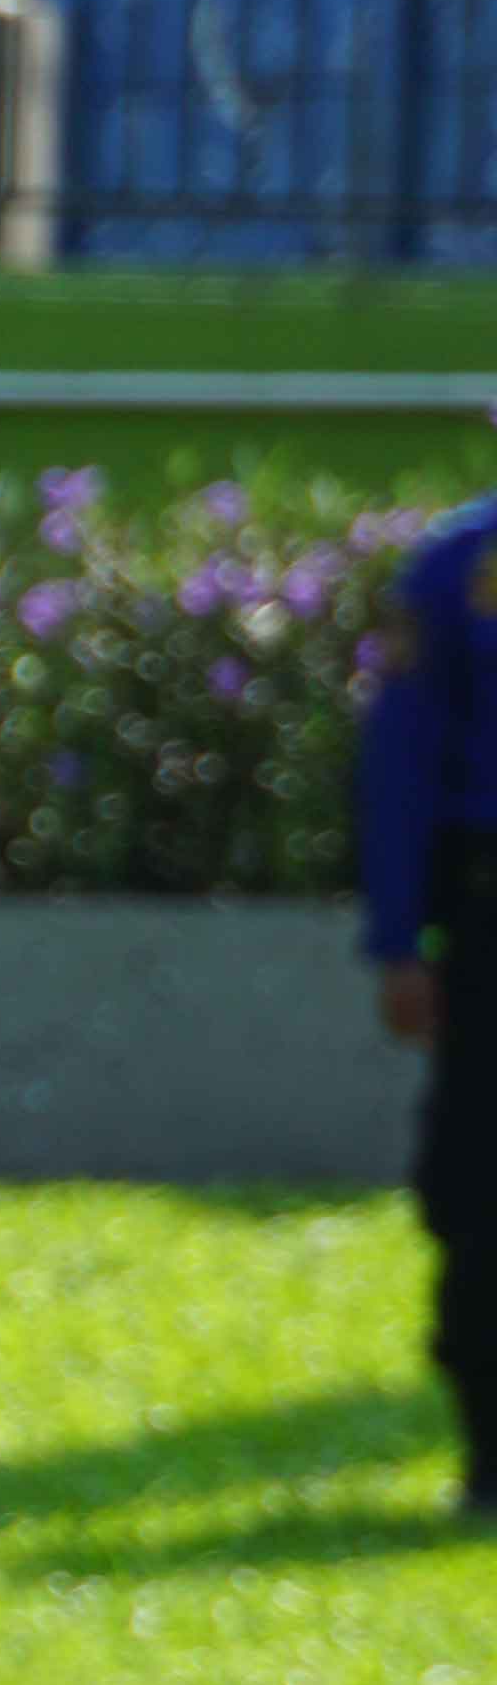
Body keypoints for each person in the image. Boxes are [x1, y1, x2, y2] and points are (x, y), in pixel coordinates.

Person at [359, 484, 497, 1506]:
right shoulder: (460, 569)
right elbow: (402, 759)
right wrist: (399, 941)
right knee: (477, 1181)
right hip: (487, 920)